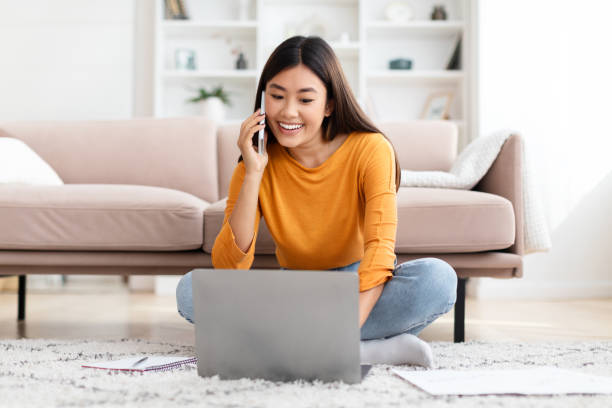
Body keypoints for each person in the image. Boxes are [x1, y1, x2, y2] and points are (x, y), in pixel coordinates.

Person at [176, 36, 457, 368]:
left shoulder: (370, 149)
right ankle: (364, 350)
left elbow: (380, 250)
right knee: (191, 290)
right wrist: (253, 173)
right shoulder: (255, 162)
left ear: (329, 105)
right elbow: (228, 267)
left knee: (437, 279)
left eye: (305, 99)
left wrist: (339, 331)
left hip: (359, 286)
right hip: (295, 288)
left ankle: (301, 346)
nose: (288, 111)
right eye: (277, 96)